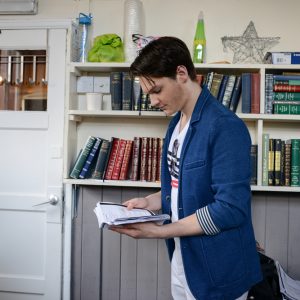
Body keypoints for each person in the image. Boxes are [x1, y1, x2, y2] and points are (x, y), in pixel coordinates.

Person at [110, 36, 262, 300]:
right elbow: (180, 187)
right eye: (149, 94)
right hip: (184, 263)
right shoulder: (176, 124)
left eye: (156, 90)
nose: (153, 101)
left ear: (181, 73)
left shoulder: (225, 126)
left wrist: (160, 232)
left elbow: (231, 209)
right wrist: (149, 202)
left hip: (220, 271)